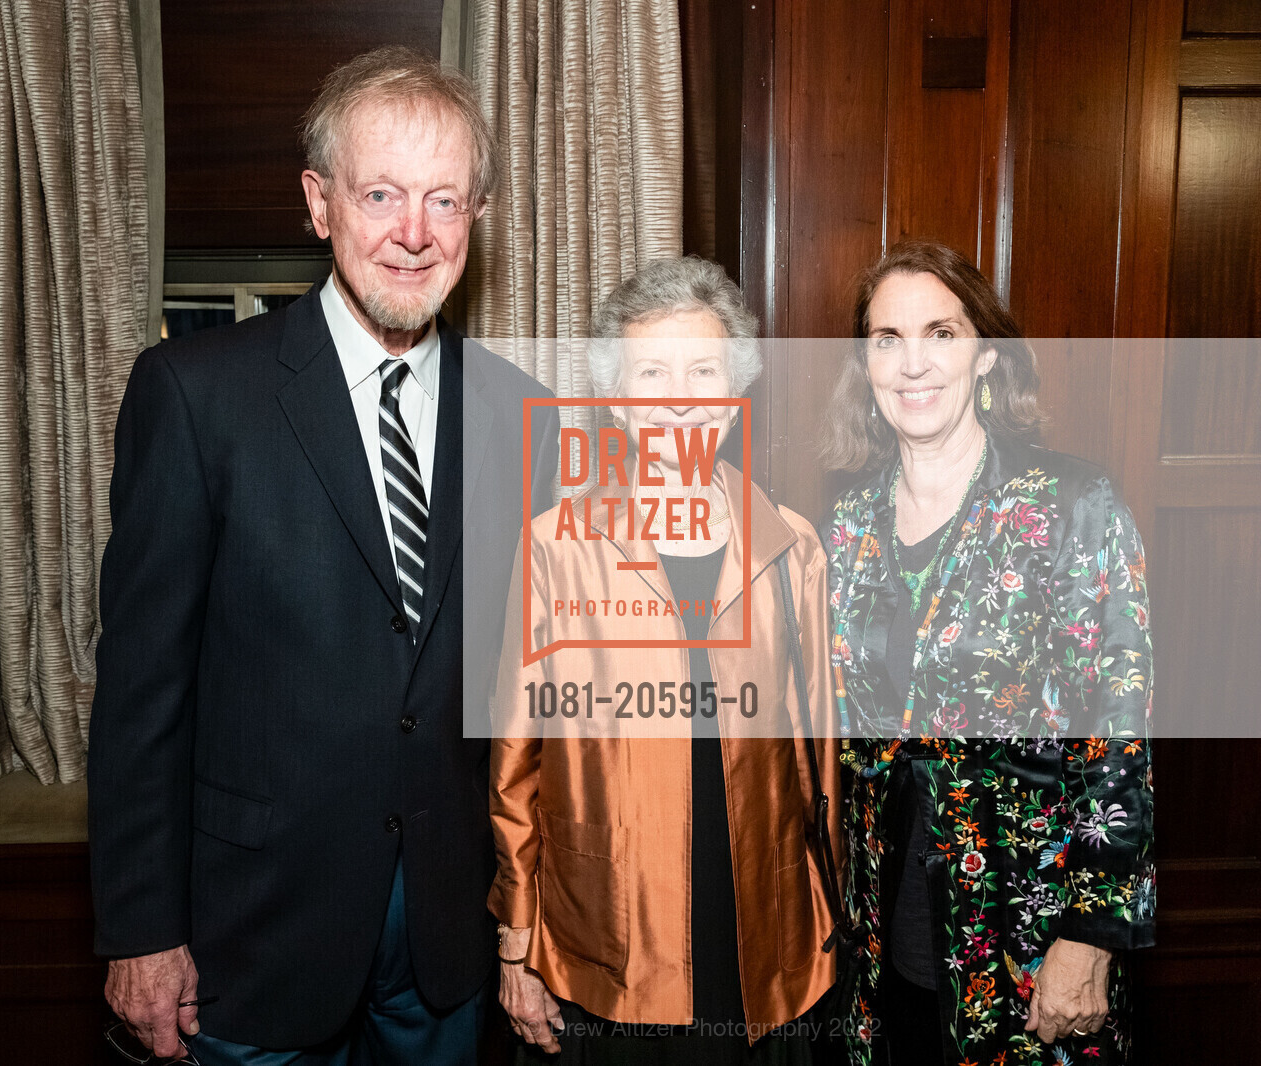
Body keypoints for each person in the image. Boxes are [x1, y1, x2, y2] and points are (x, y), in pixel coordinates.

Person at [88, 47, 559, 1065]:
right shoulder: (195, 395)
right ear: (319, 203)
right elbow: (140, 694)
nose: (414, 232)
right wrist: (140, 929)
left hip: (445, 936)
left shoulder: (522, 413)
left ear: (475, 215)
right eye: (381, 192)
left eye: (443, 199)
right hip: (251, 939)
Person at [489, 257, 842, 1065]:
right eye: (652, 372)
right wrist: (517, 942)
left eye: (702, 371)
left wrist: (831, 918)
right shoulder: (553, 547)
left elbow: (822, 758)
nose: (679, 396)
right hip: (607, 931)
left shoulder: (793, 547)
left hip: (763, 920)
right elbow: (516, 761)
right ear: (616, 399)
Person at [819, 239, 1155, 1066]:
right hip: (882, 930)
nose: (912, 364)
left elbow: (1119, 742)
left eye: (941, 333)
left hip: (1029, 933)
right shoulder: (846, 526)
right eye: (886, 339)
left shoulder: (1074, 506)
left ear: (987, 358)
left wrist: (1090, 939)